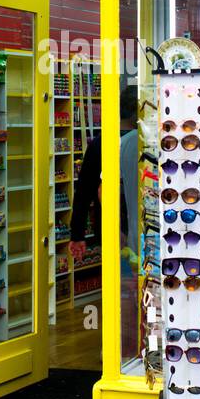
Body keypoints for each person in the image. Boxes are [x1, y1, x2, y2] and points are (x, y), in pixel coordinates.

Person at [69, 85, 139, 266]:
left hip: (111, 228)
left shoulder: (101, 142)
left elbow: (83, 192)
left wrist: (77, 235)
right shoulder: (142, 142)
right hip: (139, 228)